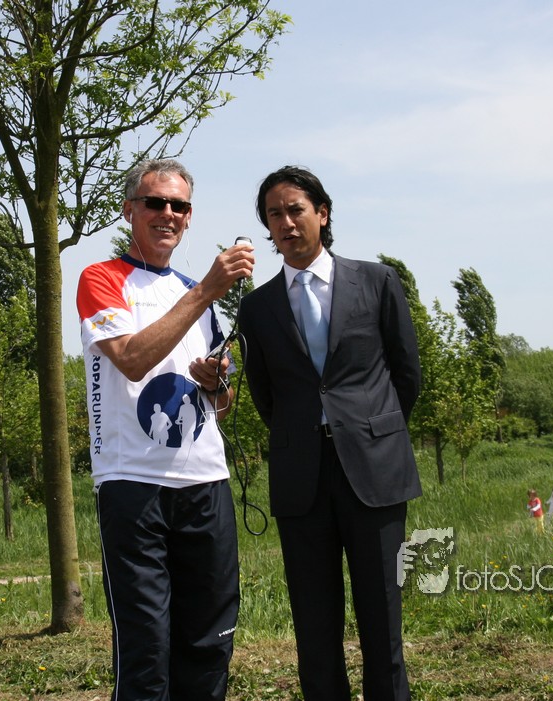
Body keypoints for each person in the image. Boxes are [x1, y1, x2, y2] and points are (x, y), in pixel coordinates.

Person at [238, 165, 422, 701]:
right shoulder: (257, 307)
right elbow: (266, 395)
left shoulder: (377, 281)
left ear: (322, 213)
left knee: (382, 622)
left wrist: (370, 431)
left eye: (296, 210)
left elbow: (406, 375)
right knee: (314, 629)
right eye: (274, 214)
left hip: (375, 473)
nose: (286, 223)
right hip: (301, 480)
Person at [77, 158, 255, 701]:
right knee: (146, 649)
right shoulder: (101, 278)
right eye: (155, 202)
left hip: (205, 483)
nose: (168, 214)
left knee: (208, 643)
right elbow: (131, 359)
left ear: (189, 216)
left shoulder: (198, 294)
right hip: (133, 483)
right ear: (129, 209)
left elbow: (221, 406)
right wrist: (206, 292)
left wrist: (214, 383)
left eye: (180, 206)